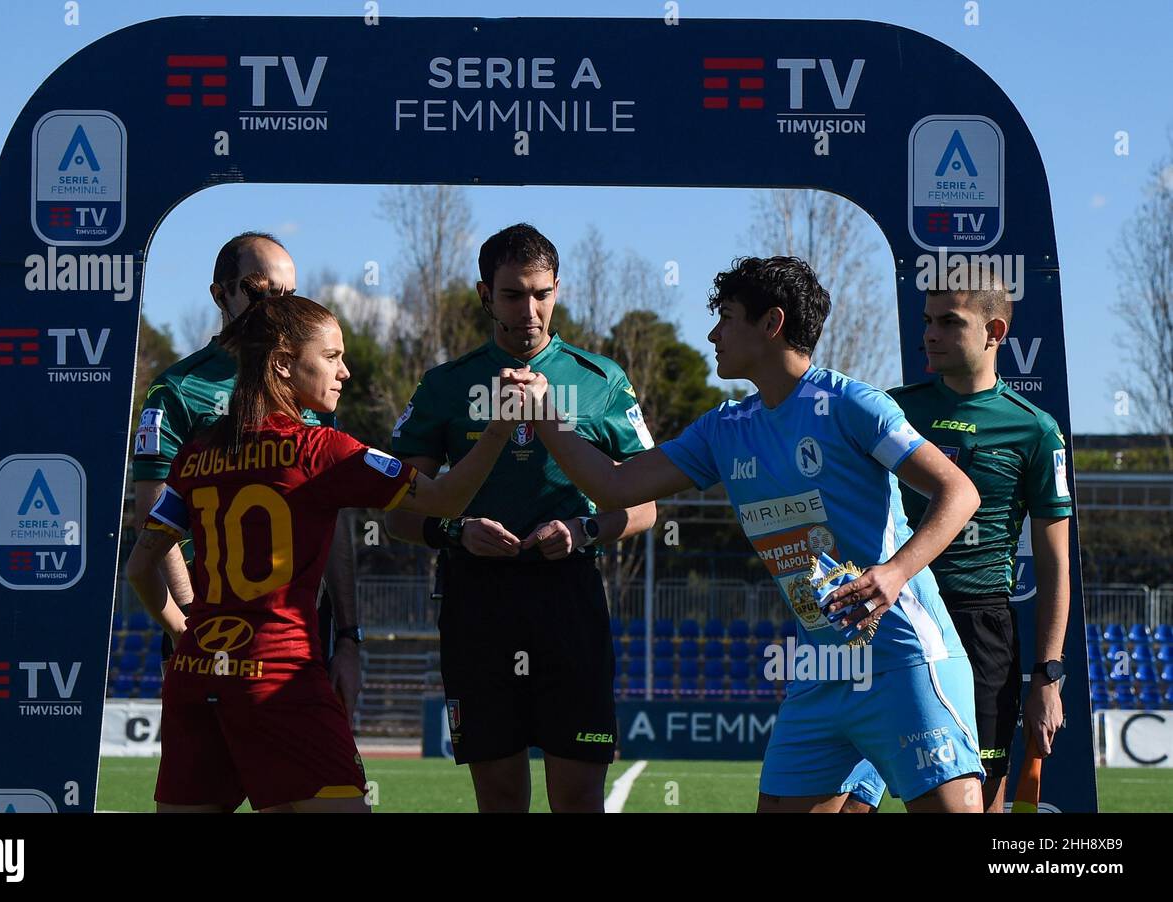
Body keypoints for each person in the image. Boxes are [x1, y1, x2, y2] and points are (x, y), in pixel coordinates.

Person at [522, 255, 988, 812]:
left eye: (727, 317)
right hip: (820, 674)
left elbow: (959, 492)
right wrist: (543, 413)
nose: (713, 333)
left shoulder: (850, 404)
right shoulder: (725, 428)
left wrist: (892, 574)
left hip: (903, 662)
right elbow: (615, 483)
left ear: (772, 323)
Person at [126, 274, 526, 812]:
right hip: (280, 677)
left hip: (196, 674)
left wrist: (183, 628)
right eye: (333, 356)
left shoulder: (197, 453)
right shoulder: (323, 449)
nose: (346, 371)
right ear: (284, 364)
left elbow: (139, 568)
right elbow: (447, 499)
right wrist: (500, 428)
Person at [384, 223, 657, 813]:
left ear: (557, 288)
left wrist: (584, 530)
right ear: (485, 294)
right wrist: (457, 532)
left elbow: (646, 506)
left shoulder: (600, 380)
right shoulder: (445, 386)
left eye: (541, 293)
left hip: (570, 598)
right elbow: (397, 514)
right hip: (476, 601)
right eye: (512, 295)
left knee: (578, 792)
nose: (530, 309)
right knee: (500, 796)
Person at [839, 265, 1072, 813]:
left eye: (949, 322)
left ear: (994, 332)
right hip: (892, 616)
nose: (930, 334)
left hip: (980, 626)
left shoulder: (1035, 428)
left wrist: (1048, 675)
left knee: (976, 804)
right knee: (849, 801)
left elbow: (1057, 562)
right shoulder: (892, 409)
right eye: (927, 321)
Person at [131, 232, 362, 716]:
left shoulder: (308, 385)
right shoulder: (179, 388)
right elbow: (154, 515)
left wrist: (347, 636)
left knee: (304, 786)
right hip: (210, 615)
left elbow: (335, 515)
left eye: (289, 296)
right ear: (221, 294)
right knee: (203, 786)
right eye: (262, 292)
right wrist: (189, 623)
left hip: (295, 625)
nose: (277, 309)